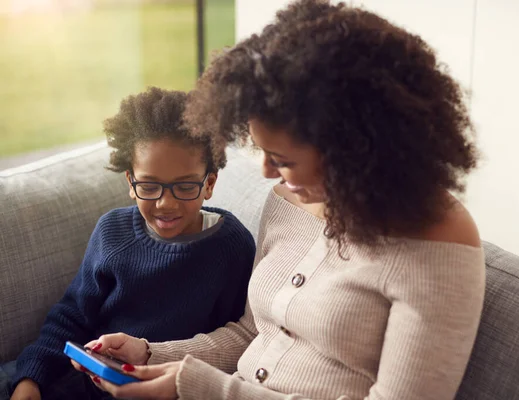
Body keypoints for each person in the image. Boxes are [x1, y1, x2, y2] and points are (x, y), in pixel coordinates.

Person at [73, 0, 486, 399]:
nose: (268, 173)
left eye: (283, 159)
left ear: (353, 149)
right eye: (262, 152)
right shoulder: (289, 202)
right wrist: (150, 354)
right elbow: (251, 335)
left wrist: (200, 386)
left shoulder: (437, 242)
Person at [3, 87, 256, 400]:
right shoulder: (112, 232)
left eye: (185, 186)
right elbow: (71, 317)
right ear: (130, 184)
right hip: (82, 381)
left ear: (210, 184)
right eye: (149, 186)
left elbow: (231, 347)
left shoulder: (231, 248)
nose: (165, 203)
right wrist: (32, 379)